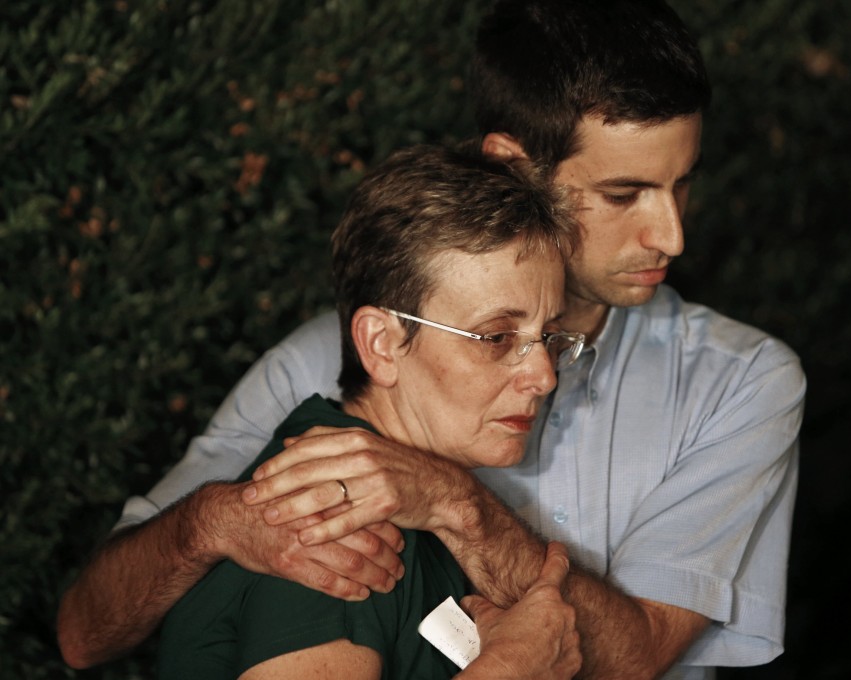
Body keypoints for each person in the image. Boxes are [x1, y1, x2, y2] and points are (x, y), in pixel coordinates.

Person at [58, 2, 806, 679]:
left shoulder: (741, 381)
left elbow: (637, 657)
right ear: (514, 166)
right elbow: (84, 636)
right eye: (623, 194)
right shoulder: (324, 364)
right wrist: (210, 522)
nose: (671, 233)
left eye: (682, 184)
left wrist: (452, 501)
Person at [154, 143, 583, 679]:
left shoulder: (409, 503)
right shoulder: (333, 531)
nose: (544, 375)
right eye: (496, 336)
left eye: (548, 336)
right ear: (381, 344)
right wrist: (514, 670)